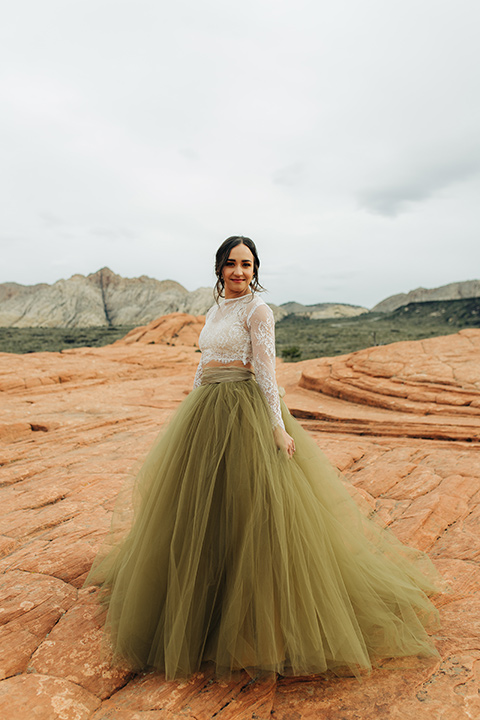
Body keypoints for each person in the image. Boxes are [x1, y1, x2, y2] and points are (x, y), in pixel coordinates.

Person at [86, 235, 442, 682]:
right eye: (232, 264)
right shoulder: (215, 310)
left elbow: (267, 369)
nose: (239, 272)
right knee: (202, 512)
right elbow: (204, 361)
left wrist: (276, 425)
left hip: (243, 410)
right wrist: (191, 407)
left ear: (256, 269)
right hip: (206, 410)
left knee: (250, 513)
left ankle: (251, 622)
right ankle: (204, 606)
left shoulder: (259, 311)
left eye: (247, 264)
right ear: (219, 267)